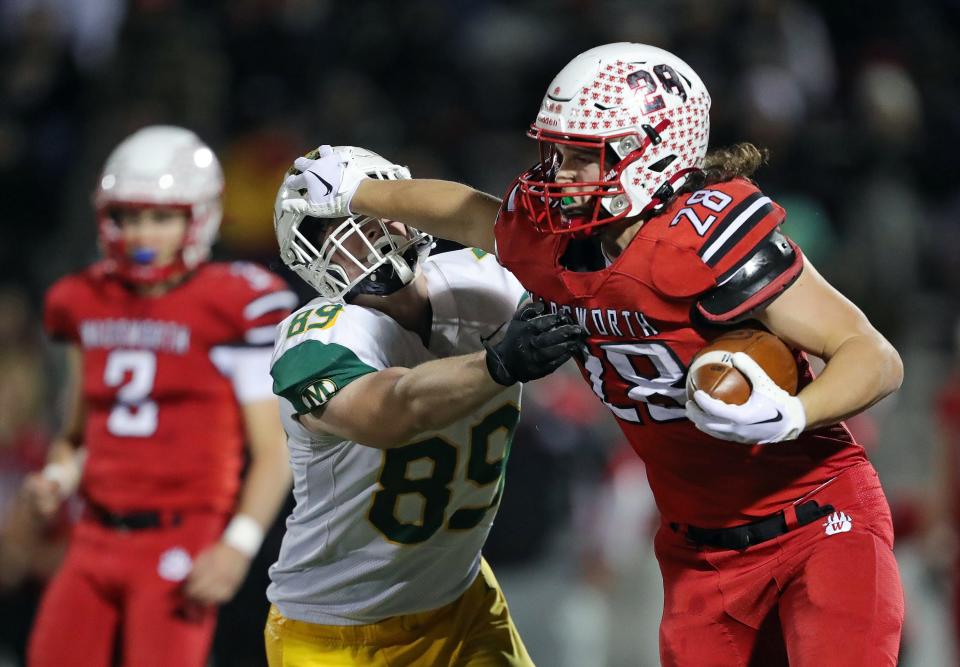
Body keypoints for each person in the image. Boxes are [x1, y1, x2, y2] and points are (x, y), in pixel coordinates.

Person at [282, 43, 906, 666]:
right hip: (700, 552)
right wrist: (359, 193)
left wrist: (793, 414)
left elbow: (873, 355)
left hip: (821, 521)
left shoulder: (708, 238)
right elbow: (470, 213)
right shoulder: (553, 244)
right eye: (556, 152)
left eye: (584, 157)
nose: (559, 174)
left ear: (654, 150)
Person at [264, 146, 582, 666]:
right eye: (342, 229)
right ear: (313, 255)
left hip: (464, 599)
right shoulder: (315, 339)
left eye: (374, 216)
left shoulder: (484, 278)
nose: (369, 237)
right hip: (336, 630)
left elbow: (540, 247)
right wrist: (496, 365)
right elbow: (392, 411)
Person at [23, 125, 295, 667]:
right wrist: (57, 477)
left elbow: (275, 450)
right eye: (129, 216)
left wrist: (237, 545)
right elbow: (78, 433)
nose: (142, 233)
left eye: (161, 216)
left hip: (180, 534)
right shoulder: (83, 299)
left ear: (200, 217)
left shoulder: (232, 303)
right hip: (93, 532)